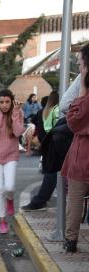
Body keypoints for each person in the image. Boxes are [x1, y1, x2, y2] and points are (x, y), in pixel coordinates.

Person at [61, 45, 89, 254]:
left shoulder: (83, 87)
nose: (78, 66)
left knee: (75, 197)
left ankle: (71, 240)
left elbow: (70, 114)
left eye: (80, 62)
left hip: (83, 150)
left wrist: (81, 91)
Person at [0, 89, 25, 234]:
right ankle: (2, 221)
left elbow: (18, 132)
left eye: (7, 102)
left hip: (11, 155)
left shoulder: (18, 113)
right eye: (1, 102)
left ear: (12, 101)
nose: (4, 105)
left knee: (9, 187)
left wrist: (15, 113)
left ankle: (10, 199)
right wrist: (0, 116)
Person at [22, 91, 60, 212]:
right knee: (52, 174)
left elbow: (36, 126)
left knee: (50, 173)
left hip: (46, 146)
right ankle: (40, 201)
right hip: (56, 147)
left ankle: (40, 200)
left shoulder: (41, 112)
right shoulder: (58, 112)